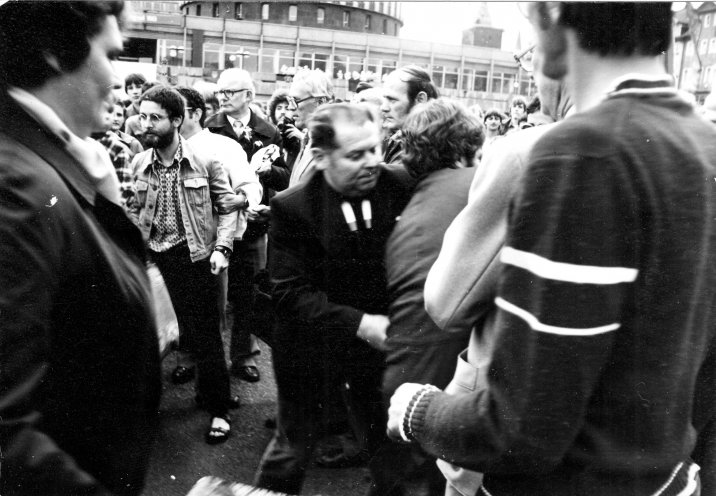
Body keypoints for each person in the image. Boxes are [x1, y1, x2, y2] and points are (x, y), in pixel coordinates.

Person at [388, 3, 716, 495]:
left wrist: (416, 410)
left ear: (552, 18)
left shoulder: (581, 152)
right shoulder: (702, 140)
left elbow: (523, 428)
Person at [0, 2, 161, 494]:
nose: (118, 78)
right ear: (53, 52)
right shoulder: (17, 185)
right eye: (111, 55)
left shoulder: (45, 158)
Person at [424, 52, 572, 496]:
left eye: (531, 58)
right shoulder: (694, 143)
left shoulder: (527, 152)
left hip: (511, 418)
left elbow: (446, 302)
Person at [254, 103, 413, 495]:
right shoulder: (292, 207)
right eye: (356, 154)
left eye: (375, 149)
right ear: (321, 157)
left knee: (387, 447)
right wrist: (361, 323)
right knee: (293, 446)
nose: (372, 162)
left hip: (376, 351)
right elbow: (290, 293)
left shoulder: (401, 185)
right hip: (309, 347)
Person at [376, 98, 482, 496]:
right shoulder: (471, 187)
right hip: (436, 388)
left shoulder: (420, 203)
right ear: (462, 153)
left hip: (405, 379)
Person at [129, 85, 241, 445]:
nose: (146, 124)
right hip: (153, 263)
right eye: (143, 116)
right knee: (150, 341)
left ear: (177, 120)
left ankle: (219, 410)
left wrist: (222, 248)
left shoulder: (205, 161)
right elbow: (133, 214)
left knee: (207, 339)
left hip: (193, 260)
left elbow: (227, 207)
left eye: (155, 118)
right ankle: (146, 412)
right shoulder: (139, 163)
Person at [207, 68, 289, 383]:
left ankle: (244, 356)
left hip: (254, 227)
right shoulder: (209, 127)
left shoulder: (269, 131)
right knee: (213, 298)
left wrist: (268, 173)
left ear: (249, 96)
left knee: (248, 297)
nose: (222, 97)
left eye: (229, 91)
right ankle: (207, 359)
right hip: (219, 224)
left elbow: (284, 176)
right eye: (220, 92)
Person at [380, 65, 438, 166]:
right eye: (384, 99)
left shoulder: (424, 148)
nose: (383, 107)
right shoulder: (403, 138)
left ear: (420, 99)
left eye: (392, 99)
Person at [286, 68, 335, 186]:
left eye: (296, 100)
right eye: (290, 100)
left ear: (320, 102)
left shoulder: (333, 146)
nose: (290, 107)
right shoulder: (308, 139)